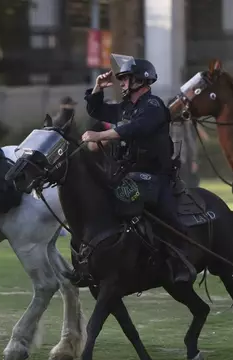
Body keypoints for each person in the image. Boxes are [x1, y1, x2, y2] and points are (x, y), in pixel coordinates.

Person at [71, 55, 195, 284]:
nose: (122, 83)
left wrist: (100, 135)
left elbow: (134, 129)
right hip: (128, 173)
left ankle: (181, 263)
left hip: (156, 176)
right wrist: (98, 87)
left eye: (126, 79)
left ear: (140, 80)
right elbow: (97, 111)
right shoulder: (127, 107)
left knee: (167, 220)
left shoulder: (153, 105)